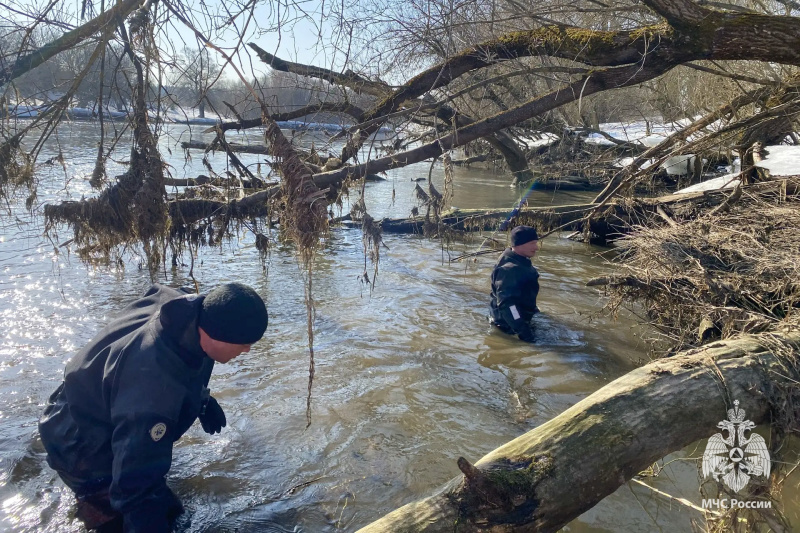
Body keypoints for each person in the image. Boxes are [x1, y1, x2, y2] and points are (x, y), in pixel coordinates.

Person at [38, 282, 269, 533]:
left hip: (99, 396)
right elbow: (134, 485)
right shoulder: (152, 392)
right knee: (129, 516)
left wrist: (201, 400)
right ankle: (93, 505)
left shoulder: (185, 308)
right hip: (79, 444)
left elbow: (188, 356)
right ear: (216, 334)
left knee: (173, 513)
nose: (247, 350)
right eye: (244, 343)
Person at [490, 225, 540, 342]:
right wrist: (525, 333)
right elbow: (507, 305)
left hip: (514, 317)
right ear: (519, 244)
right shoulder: (509, 270)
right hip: (507, 326)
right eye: (532, 243)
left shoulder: (516, 258)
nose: (536, 247)